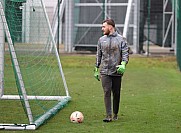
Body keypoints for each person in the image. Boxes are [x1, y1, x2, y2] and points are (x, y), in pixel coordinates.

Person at [94, 19, 129, 122]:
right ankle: (108, 116)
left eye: (104, 27)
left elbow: (125, 54)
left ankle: (115, 113)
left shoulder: (121, 39)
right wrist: (96, 68)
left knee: (116, 93)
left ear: (110, 27)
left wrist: (123, 64)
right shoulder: (101, 40)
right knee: (106, 92)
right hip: (104, 71)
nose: (102, 29)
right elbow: (98, 55)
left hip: (117, 71)